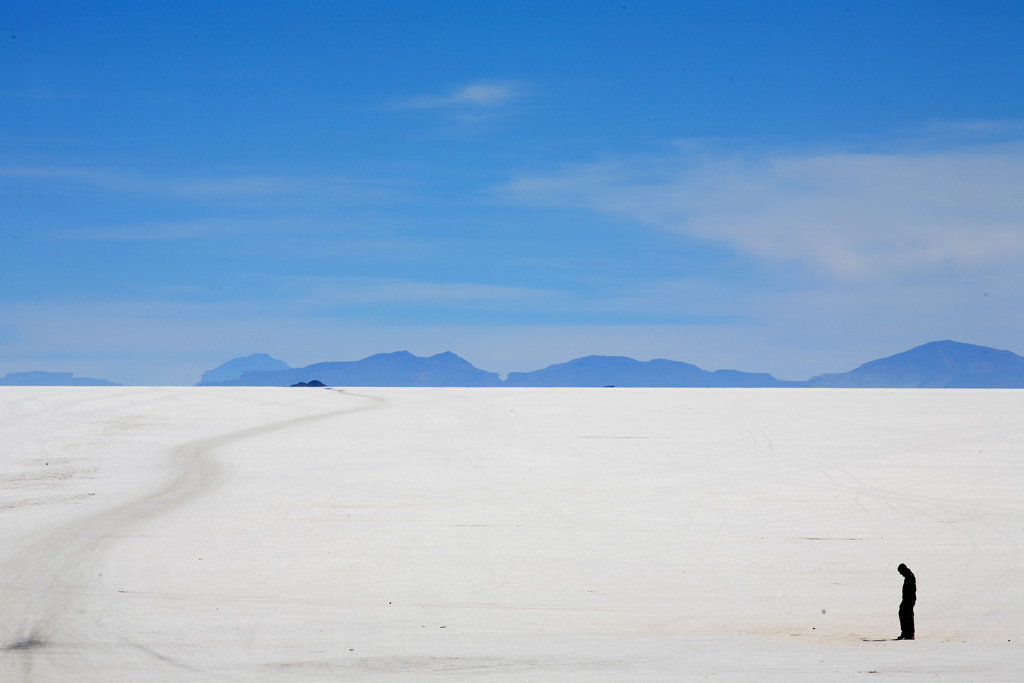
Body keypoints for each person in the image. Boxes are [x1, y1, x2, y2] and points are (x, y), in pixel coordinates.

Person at [896, 563, 916, 640]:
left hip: (909, 599)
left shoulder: (910, 576)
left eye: (900, 572)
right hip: (907, 599)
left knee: (908, 615)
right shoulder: (908, 575)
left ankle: (910, 634)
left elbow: (911, 590)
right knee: (903, 614)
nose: (900, 574)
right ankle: (905, 632)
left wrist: (908, 599)